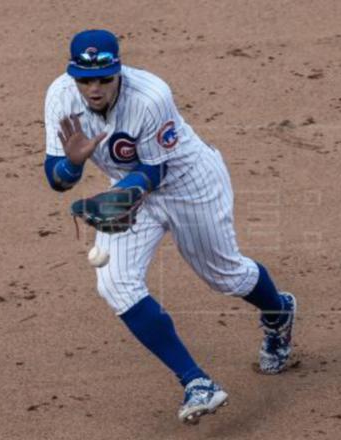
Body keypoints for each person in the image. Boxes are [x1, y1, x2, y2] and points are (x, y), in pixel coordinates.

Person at [43, 29, 297, 425]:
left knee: (224, 275)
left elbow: (156, 169)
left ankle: (278, 312)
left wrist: (124, 195)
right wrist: (73, 165)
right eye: (85, 79)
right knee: (114, 282)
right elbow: (56, 179)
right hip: (129, 188)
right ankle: (196, 382)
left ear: (118, 72)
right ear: (73, 75)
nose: (93, 89)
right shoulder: (60, 96)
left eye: (104, 79)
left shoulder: (150, 96)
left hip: (188, 184)